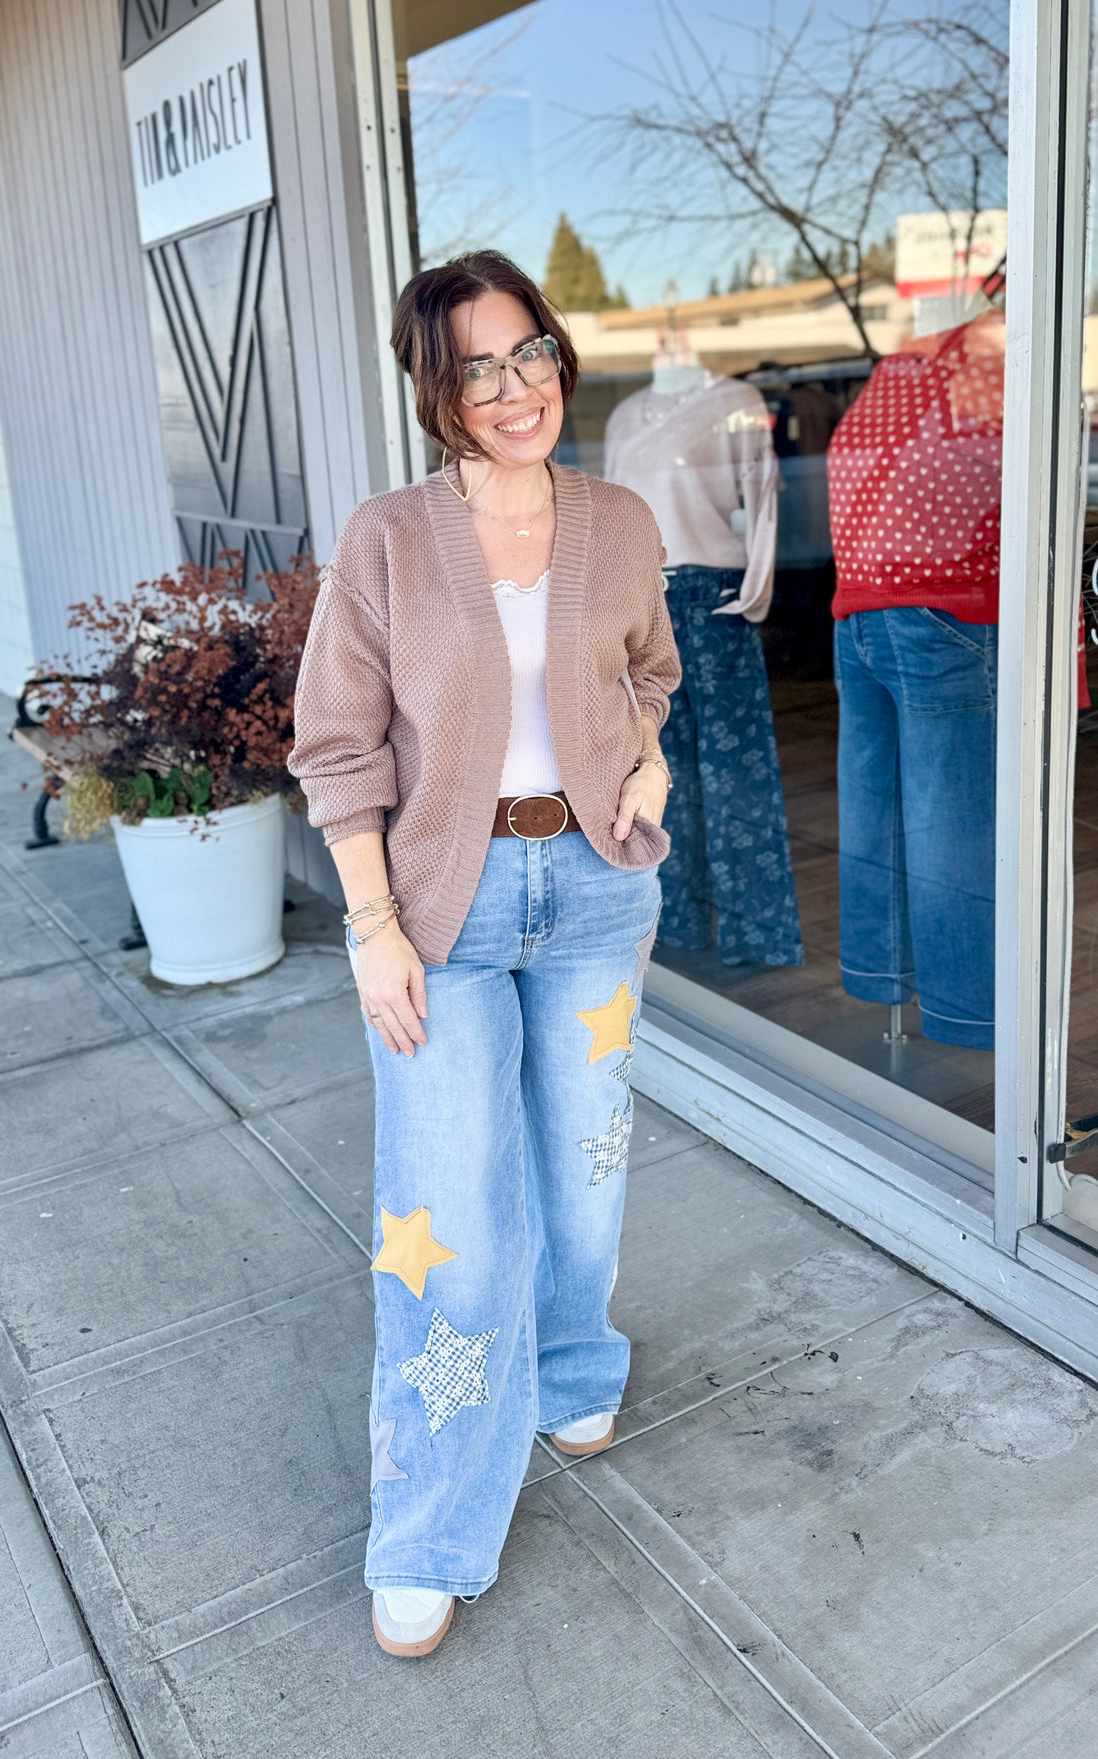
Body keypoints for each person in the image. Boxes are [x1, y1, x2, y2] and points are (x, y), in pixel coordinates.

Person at [288, 249, 681, 1658]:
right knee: (449, 1220)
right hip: (439, 910)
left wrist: (648, 771)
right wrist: (373, 927)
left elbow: (647, 670)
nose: (516, 389)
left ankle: (573, 1363)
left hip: (593, 889)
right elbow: (337, 745)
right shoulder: (389, 537)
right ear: (436, 392)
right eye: (477, 369)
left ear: (559, 356)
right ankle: (429, 1523)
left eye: (531, 354)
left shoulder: (618, 518)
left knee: (586, 1169)